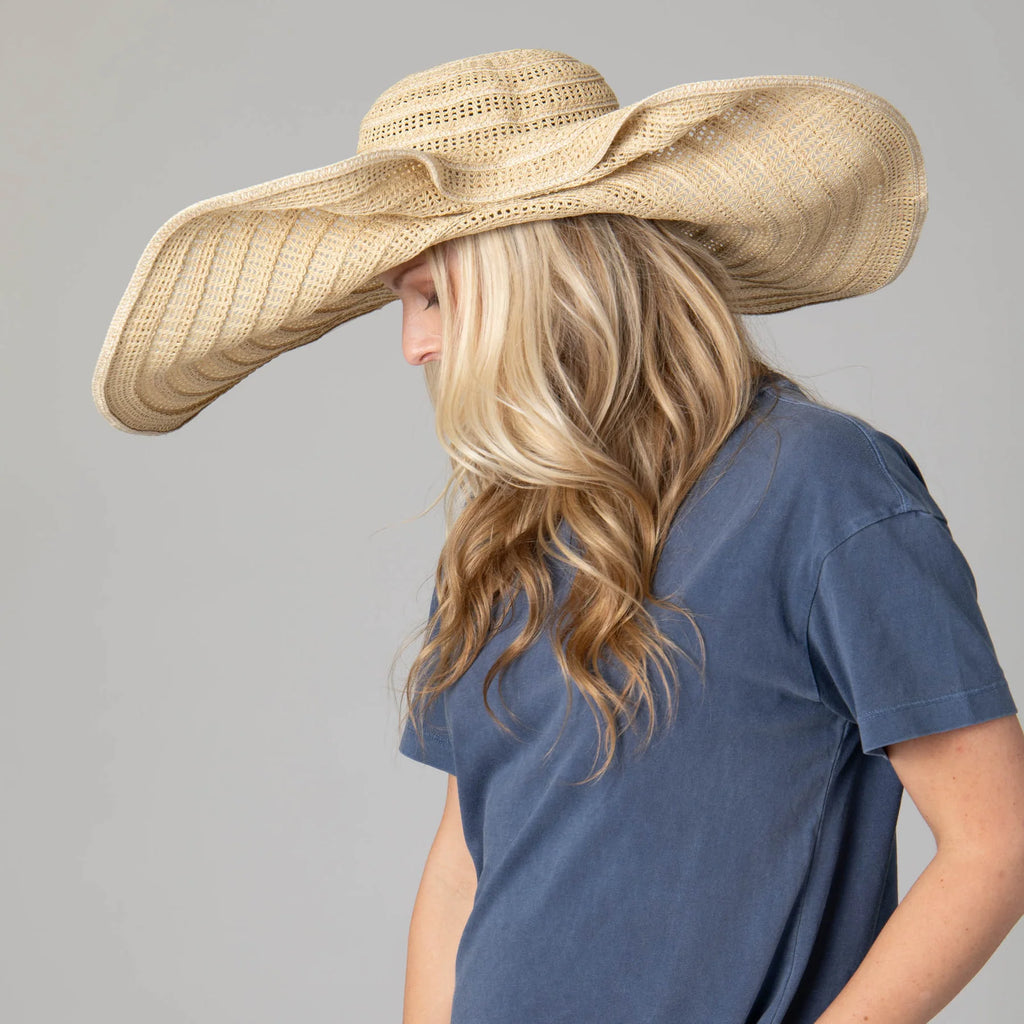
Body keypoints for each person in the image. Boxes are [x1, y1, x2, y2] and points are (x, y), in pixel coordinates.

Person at [92, 49, 1024, 1024]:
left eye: (431, 295)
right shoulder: (501, 534)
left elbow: (992, 843)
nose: (412, 344)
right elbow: (464, 864)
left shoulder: (817, 486)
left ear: (542, 277)